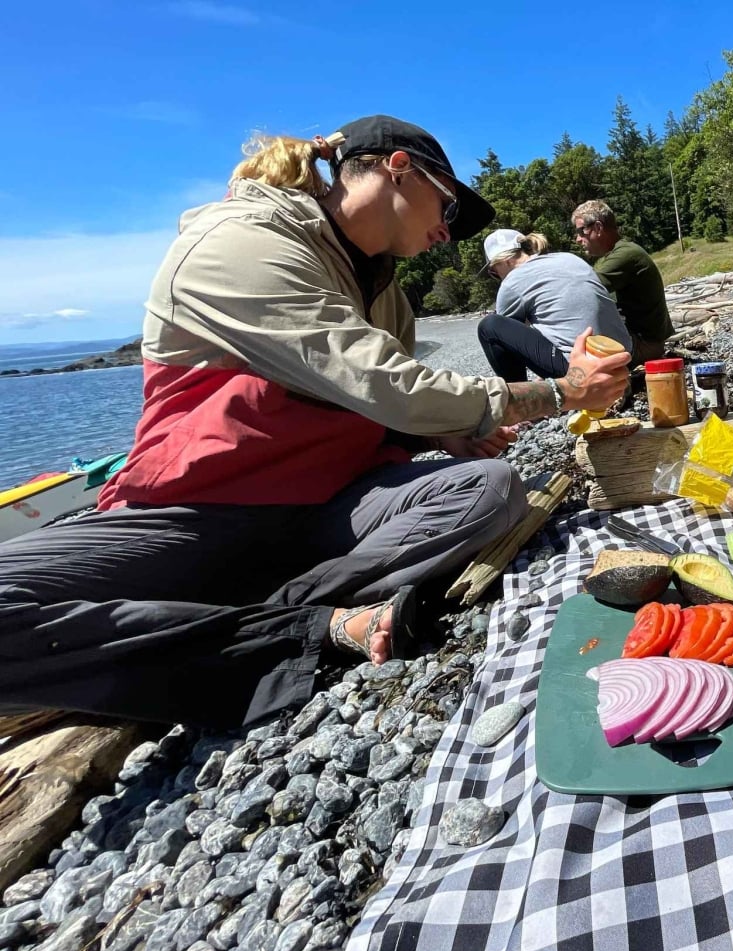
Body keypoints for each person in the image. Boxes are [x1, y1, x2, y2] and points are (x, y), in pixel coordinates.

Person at [0, 115, 631, 728]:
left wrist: (436, 431)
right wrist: (561, 391)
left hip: (329, 505)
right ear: (398, 169)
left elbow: (368, 406)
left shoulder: (386, 293)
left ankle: (238, 617)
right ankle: (303, 624)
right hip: (200, 512)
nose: (447, 232)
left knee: (490, 488)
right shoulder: (242, 241)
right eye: (447, 207)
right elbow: (385, 384)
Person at [474, 228, 634, 381]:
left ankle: (521, 396)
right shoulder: (569, 258)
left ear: (505, 261)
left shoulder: (511, 282)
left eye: (493, 272)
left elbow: (512, 340)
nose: (496, 277)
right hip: (624, 357)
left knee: (490, 326)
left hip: (582, 368)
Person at [571, 200, 675, 363]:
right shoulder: (615, 254)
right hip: (641, 341)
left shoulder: (625, 256)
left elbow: (581, 291)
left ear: (598, 228)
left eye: (581, 231)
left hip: (644, 346)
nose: (578, 239)